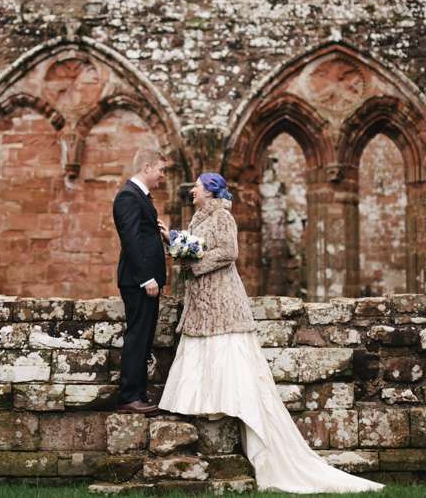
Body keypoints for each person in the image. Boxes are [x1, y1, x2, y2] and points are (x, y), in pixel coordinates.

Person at [159, 173, 384, 493]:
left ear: (209, 191)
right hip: (201, 299)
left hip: (221, 297)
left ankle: (231, 407)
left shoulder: (222, 216)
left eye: (197, 185)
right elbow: (198, 248)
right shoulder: (198, 217)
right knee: (204, 348)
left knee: (225, 350)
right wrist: (174, 240)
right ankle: (208, 403)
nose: (192, 190)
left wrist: (194, 260)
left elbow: (228, 252)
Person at [111, 148, 169, 414]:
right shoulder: (128, 196)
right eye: (161, 170)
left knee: (144, 337)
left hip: (145, 281)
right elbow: (131, 240)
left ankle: (138, 394)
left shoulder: (140, 196)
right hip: (138, 281)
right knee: (137, 336)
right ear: (147, 167)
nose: (162, 176)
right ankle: (129, 397)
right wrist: (146, 278)